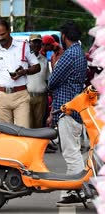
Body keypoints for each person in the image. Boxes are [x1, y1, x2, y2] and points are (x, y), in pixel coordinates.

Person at [47, 20, 88, 206]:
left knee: (71, 153)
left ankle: (76, 190)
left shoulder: (69, 54)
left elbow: (52, 81)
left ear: (64, 36)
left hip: (67, 109)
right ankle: (78, 188)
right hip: (76, 108)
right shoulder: (79, 52)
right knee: (74, 151)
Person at [0, 19, 40, 128]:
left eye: (3, 34)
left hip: (21, 96)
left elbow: (37, 67)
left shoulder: (23, 46)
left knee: (22, 132)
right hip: (1, 96)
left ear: (9, 31)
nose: (1, 38)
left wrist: (25, 71)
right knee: (5, 135)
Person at [27, 34, 49, 128]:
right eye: (34, 42)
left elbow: (47, 79)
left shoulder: (44, 60)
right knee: (28, 126)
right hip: (27, 97)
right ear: (29, 43)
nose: (36, 44)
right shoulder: (24, 60)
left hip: (41, 98)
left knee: (39, 126)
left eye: (39, 42)